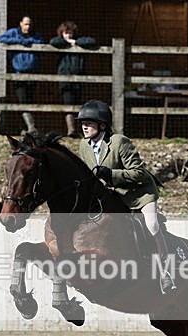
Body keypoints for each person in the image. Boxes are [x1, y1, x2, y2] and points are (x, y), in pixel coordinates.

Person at [75, 100, 176, 293]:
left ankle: (166, 271)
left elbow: (138, 172)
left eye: (89, 122)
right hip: (114, 196)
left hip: (139, 193)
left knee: (152, 224)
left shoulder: (119, 142)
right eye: (82, 123)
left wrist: (110, 175)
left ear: (103, 125)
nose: (84, 126)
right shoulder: (83, 145)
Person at [0, 15, 44, 135]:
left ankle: (25, 129)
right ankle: (31, 127)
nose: (28, 27)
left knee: (29, 100)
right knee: (22, 100)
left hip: (33, 73)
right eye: (26, 24)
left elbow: (41, 42)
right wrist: (18, 41)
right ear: (21, 24)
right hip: (19, 73)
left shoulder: (35, 35)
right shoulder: (13, 33)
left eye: (30, 24)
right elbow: (0, 39)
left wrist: (29, 42)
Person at [49, 21, 96, 138]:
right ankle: (71, 130)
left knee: (78, 104)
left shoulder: (79, 42)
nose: (68, 35)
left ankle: (78, 130)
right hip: (65, 79)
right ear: (62, 33)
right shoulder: (61, 43)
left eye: (70, 32)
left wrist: (75, 42)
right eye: (66, 33)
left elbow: (91, 41)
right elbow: (53, 41)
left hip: (79, 78)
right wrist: (68, 42)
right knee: (68, 102)